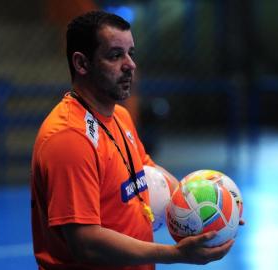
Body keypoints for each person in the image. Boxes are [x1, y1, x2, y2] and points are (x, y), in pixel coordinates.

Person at [30, 10, 238, 270]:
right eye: (116, 55)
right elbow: (85, 242)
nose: (130, 64)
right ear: (82, 64)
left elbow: (146, 171)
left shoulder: (119, 116)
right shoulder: (69, 138)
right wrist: (176, 254)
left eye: (131, 53)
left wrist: (217, 204)